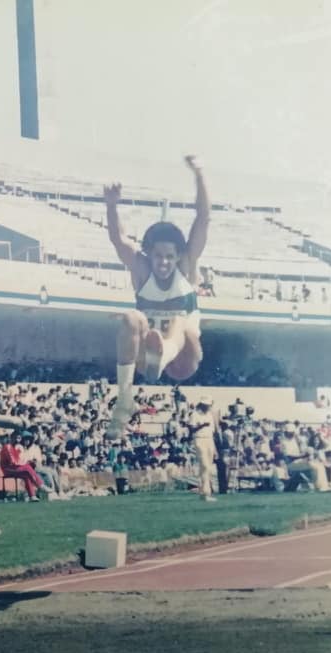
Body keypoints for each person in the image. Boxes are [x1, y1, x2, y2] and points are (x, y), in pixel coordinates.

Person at [104, 155, 210, 438]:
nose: (163, 263)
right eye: (158, 256)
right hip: (145, 355)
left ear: (178, 258)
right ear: (149, 254)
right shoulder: (141, 270)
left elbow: (203, 218)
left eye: (169, 258)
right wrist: (111, 206)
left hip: (183, 358)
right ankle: (124, 398)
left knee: (179, 322)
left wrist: (198, 175)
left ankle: (159, 360)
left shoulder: (186, 268)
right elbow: (118, 239)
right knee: (130, 318)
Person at [188, 397, 218, 501]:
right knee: (205, 465)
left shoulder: (209, 415)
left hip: (209, 440)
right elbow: (191, 429)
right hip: (199, 439)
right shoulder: (194, 414)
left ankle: (204, 492)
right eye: (206, 405)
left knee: (207, 467)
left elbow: (212, 431)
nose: (208, 407)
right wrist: (202, 425)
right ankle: (205, 492)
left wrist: (215, 449)